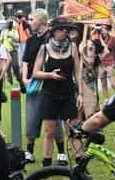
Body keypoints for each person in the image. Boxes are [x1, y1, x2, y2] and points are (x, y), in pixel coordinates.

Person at [29, 17, 82, 166]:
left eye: (67, 29)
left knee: (73, 130)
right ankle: (47, 164)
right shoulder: (44, 48)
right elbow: (35, 73)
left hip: (68, 94)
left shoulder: (72, 47)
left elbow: (77, 71)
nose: (64, 31)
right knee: (49, 131)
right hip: (49, 94)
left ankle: (79, 164)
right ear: (53, 31)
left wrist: (81, 94)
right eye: (61, 29)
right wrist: (50, 75)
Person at [20, 10, 63, 163]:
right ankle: (29, 152)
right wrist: (25, 78)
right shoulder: (31, 40)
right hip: (33, 84)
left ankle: (61, 153)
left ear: (42, 21)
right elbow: (25, 61)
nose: (29, 21)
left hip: (50, 84)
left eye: (32, 19)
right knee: (32, 117)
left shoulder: (51, 40)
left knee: (53, 119)